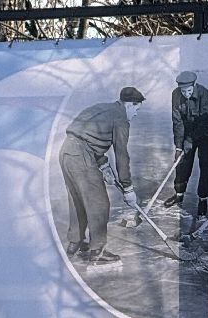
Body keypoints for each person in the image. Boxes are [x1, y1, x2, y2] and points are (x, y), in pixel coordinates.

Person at [58, 86, 145, 266]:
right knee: (99, 203)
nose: (136, 113)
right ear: (129, 105)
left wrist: (104, 166)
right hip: (81, 155)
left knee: (77, 199)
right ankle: (97, 251)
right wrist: (128, 187)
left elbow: (90, 136)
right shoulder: (121, 119)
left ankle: (76, 242)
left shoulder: (104, 108)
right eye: (137, 108)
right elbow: (121, 155)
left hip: (66, 151)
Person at [165, 70, 208, 218]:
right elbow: (177, 121)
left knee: (205, 165)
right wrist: (179, 146)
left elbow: (205, 121)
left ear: (194, 86)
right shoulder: (175, 94)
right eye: (183, 91)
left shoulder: (203, 93)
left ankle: (203, 199)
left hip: (205, 132)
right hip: (187, 131)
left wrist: (190, 140)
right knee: (182, 163)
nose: (186, 94)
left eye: (189, 91)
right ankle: (179, 194)